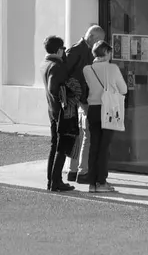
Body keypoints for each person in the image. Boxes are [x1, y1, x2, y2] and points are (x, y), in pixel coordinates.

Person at [82, 40, 127, 193]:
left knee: (94, 145)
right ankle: (102, 182)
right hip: (108, 110)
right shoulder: (112, 68)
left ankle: (92, 183)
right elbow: (124, 89)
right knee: (104, 146)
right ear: (106, 53)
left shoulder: (87, 69)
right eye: (110, 52)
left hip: (93, 109)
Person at [62, 24, 104, 184]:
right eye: (99, 40)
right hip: (79, 100)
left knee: (78, 135)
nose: (100, 45)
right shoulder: (76, 50)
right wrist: (79, 98)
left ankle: (73, 171)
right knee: (86, 135)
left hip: (79, 99)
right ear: (92, 37)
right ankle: (82, 172)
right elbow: (66, 76)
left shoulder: (84, 51)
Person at [40, 35, 75, 192]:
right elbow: (54, 87)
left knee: (54, 145)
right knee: (61, 146)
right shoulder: (56, 66)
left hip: (51, 109)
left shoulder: (45, 63)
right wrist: (67, 94)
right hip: (61, 110)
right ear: (58, 49)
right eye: (63, 49)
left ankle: (51, 180)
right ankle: (56, 181)